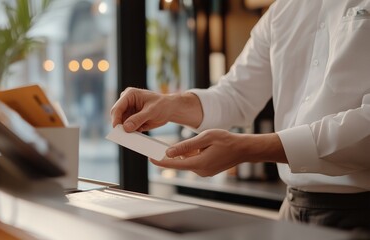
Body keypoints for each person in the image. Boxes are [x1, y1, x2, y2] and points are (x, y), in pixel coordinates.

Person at [110, 0, 370, 233]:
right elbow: (235, 95)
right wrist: (168, 104)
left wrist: (247, 148)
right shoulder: (282, 11)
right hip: (292, 210)